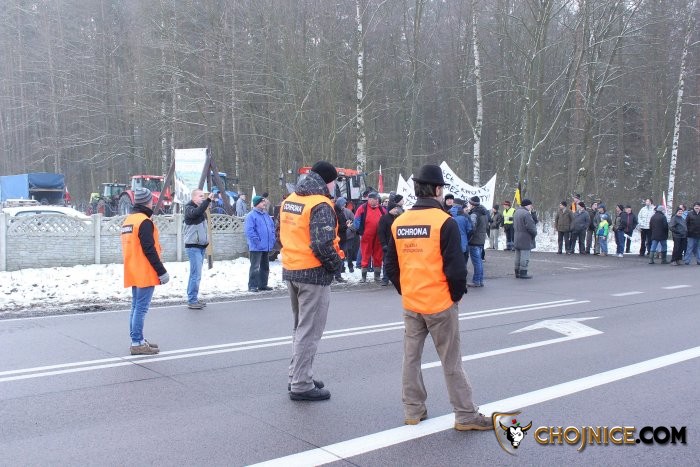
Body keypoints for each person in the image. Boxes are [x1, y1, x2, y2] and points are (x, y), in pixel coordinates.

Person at [384, 164, 492, 432]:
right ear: (437, 189)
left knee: (411, 358)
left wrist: (406, 289)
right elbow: (456, 268)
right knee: (451, 361)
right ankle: (465, 414)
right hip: (440, 302)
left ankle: (413, 410)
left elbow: (391, 266)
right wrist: (456, 295)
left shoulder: (400, 222)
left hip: (412, 303)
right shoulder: (444, 222)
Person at [280, 161, 344, 401]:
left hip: (292, 269)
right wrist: (336, 267)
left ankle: (297, 375)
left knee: (300, 329)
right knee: (309, 331)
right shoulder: (320, 204)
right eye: (335, 182)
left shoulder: (291, 199)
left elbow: (281, 233)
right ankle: (301, 384)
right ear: (329, 180)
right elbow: (322, 244)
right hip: (313, 274)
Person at [121, 188, 169, 355]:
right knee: (141, 309)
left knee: (135, 307)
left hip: (132, 269)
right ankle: (137, 343)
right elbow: (149, 249)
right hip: (144, 270)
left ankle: (138, 339)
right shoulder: (144, 222)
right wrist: (161, 271)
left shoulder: (129, 220)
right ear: (148, 202)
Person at [183, 189, 215, 309]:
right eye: (200, 196)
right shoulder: (189, 208)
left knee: (196, 274)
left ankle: (193, 298)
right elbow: (196, 212)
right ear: (194, 197)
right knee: (195, 275)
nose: (203, 198)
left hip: (200, 247)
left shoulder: (200, 210)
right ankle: (192, 300)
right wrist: (208, 200)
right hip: (193, 247)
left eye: (203, 196)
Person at [244, 195, 276, 292]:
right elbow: (249, 231)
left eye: (264, 202)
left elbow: (272, 228)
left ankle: (263, 285)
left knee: (265, 267)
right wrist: (257, 241)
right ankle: (252, 286)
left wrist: (272, 239)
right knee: (255, 267)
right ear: (257, 204)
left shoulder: (266, 215)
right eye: (262, 202)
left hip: (266, 246)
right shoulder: (251, 216)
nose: (264, 203)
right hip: (256, 247)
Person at [353, 191, 387, 282]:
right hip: (366, 236)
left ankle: (377, 276)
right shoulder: (362, 208)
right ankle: (363, 276)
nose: (377, 201)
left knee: (378, 255)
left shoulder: (381, 209)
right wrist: (357, 230)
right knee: (365, 255)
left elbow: (386, 219)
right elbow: (356, 220)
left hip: (379, 236)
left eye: (377, 199)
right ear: (370, 199)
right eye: (375, 199)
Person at [378, 197, 404, 286]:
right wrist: (383, 244)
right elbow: (381, 232)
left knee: (398, 262)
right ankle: (385, 279)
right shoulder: (384, 218)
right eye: (394, 208)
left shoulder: (399, 217)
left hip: (398, 244)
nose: (396, 210)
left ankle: (397, 278)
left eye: (397, 208)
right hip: (388, 244)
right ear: (390, 209)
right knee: (387, 262)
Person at [466, 196, 488, 287]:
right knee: (479, 261)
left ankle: (476, 281)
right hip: (481, 240)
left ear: (472, 204)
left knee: (476, 262)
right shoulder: (484, 213)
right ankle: (480, 280)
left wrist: (468, 237)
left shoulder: (474, 214)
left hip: (474, 240)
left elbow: (472, 228)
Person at [513, 199, 537, 279]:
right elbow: (531, 227)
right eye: (530, 205)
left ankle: (517, 271)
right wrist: (534, 233)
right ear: (527, 205)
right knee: (525, 255)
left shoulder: (516, 212)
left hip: (517, 236)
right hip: (525, 237)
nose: (531, 207)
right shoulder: (526, 214)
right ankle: (523, 272)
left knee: (517, 255)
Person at [333, 197, 350, 282]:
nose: (344, 205)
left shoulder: (340, 211)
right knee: (339, 256)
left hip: (342, 237)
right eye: (343, 204)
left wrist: (346, 223)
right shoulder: (335, 212)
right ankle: (337, 275)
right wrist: (346, 225)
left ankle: (338, 274)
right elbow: (337, 227)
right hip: (338, 238)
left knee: (341, 256)